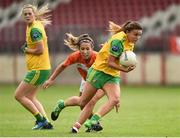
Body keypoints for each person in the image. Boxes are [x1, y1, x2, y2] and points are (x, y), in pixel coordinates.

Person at [71, 21, 143, 133]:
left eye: (139, 35)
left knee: (115, 99)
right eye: (135, 34)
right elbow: (110, 63)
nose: (138, 37)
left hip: (112, 76)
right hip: (99, 72)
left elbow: (120, 59)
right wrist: (125, 69)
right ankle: (73, 121)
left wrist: (128, 63)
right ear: (127, 32)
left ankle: (93, 120)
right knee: (83, 102)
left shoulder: (130, 42)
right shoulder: (118, 41)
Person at [43, 33, 105, 132]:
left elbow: (111, 70)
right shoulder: (76, 56)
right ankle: (62, 105)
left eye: (87, 49)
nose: (85, 52)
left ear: (92, 48)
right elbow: (63, 65)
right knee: (82, 105)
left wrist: (114, 97)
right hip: (86, 81)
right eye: (82, 49)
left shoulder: (98, 57)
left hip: (101, 81)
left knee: (91, 101)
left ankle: (93, 123)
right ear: (79, 49)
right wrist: (51, 79)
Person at [14, 3, 53, 130]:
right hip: (41, 68)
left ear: (34, 15)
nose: (27, 16)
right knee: (30, 97)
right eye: (25, 14)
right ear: (22, 16)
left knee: (19, 96)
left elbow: (39, 50)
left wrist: (26, 49)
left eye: (29, 13)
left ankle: (40, 120)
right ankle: (46, 122)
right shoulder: (34, 25)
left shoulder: (34, 29)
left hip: (38, 69)